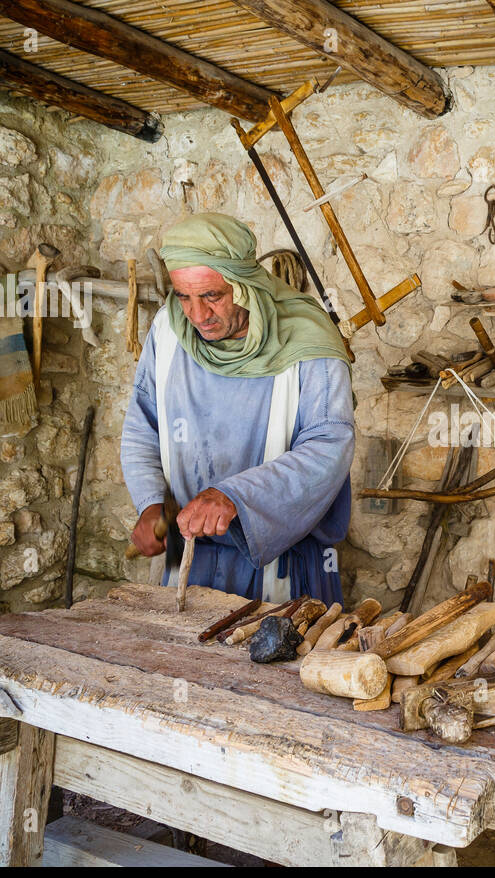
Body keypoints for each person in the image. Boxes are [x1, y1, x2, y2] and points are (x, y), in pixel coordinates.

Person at [120, 213, 354, 604]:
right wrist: (150, 504)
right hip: (189, 561)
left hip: (281, 565)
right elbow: (143, 424)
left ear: (243, 286)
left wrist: (235, 497)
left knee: (270, 659)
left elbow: (329, 446)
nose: (197, 315)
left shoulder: (306, 339)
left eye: (212, 296)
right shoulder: (168, 330)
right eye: (183, 297)